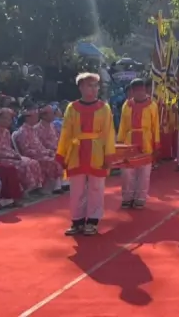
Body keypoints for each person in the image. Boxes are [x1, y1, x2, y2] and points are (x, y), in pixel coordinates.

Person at [55, 73, 116, 236]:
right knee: (77, 189)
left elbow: (109, 133)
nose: (94, 89)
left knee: (96, 188)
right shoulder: (72, 108)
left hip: (97, 151)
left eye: (96, 85)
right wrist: (62, 154)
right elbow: (66, 132)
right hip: (76, 151)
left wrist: (108, 155)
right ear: (81, 87)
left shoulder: (104, 108)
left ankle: (93, 221)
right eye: (89, 85)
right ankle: (77, 221)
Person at [117, 79, 159, 209]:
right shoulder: (127, 105)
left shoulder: (152, 105)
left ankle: (140, 197)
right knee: (127, 172)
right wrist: (119, 143)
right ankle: (127, 197)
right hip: (129, 143)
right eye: (135, 89)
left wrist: (156, 145)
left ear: (145, 89)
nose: (139, 92)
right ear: (132, 91)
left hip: (146, 142)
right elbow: (122, 126)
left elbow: (155, 126)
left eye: (141, 89)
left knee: (144, 173)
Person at [0, 108, 44, 194]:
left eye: (9, 119)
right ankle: (23, 191)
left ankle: (34, 189)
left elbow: (9, 148)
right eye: (4, 118)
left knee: (33, 162)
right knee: (23, 165)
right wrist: (12, 156)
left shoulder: (6, 132)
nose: (6, 121)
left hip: (10, 156)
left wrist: (15, 154)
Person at [14, 104, 63, 194]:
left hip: (42, 153)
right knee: (53, 161)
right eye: (35, 116)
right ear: (28, 118)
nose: (37, 118)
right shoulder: (23, 132)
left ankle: (56, 186)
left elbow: (40, 145)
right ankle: (47, 188)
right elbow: (26, 151)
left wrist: (47, 151)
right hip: (33, 156)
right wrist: (45, 152)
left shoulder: (32, 130)